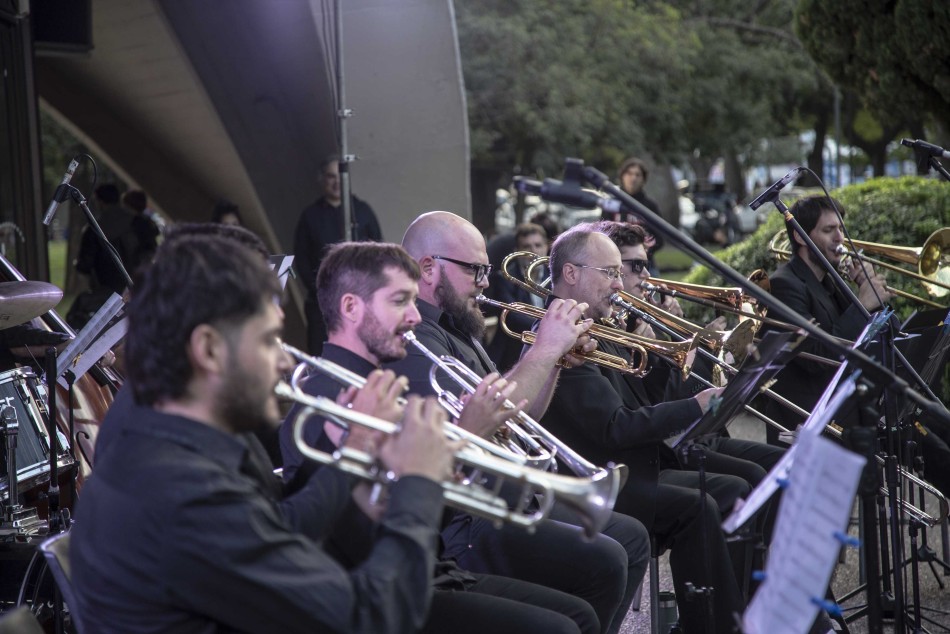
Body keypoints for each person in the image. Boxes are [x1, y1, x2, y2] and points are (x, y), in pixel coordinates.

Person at [71, 234, 455, 633]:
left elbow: (276, 528)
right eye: (270, 340)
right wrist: (419, 482)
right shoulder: (186, 492)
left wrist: (354, 453)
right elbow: (372, 618)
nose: (286, 361)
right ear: (209, 349)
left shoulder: (165, 442)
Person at [281, 240, 601, 634]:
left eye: (415, 301)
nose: (416, 317)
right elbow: (364, 533)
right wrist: (466, 436)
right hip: (387, 593)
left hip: (431, 568)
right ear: (351, 308)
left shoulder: (384, 385)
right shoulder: (330, 398)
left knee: (578, 616)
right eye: (400, 301)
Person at [385, 211, 651, 634]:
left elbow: (519, 417)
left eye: (487, 270)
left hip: (506, 492)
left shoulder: (462, 325)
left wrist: (557, 359)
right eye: (475, 270)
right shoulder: (417, 340)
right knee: (607, 562)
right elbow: (484, 417)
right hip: (470, 521)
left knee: (629, 540)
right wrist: (545, 350)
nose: (486, 282)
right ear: (427, 268)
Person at [540, 222, 752, 634]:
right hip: (603, 480)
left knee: (737, 488)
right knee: (700, 507)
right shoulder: (555, 333)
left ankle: (739, 614)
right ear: (571, 274)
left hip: (635, 465)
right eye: (611, 272)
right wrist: (692, 406)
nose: (620, 284)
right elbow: (615, 428)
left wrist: (666, 359)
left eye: (621, 272)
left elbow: (639, 401)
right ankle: (711, 625)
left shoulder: (601, 324)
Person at [762, 195, 891, 443]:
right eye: (829, 230)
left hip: (842, 411)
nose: (840, 238)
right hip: (805, 422)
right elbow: (817, 355)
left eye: (840, 229)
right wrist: (862, 304)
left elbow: (878, 333)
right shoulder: (783, 285)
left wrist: (867, 286)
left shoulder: (830, 279)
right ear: (800, 236)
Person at [295, 156, 382, 356]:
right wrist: (321, 289)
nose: (336, 182)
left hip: (361, 302)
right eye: (330, 177)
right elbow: (302, 259)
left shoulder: (362, 211)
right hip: (321, 304)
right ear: (322, 180)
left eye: (339, 177)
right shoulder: (310, 216)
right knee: (322, 355)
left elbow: (378, 255)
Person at [70, 183, 159, 328]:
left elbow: (84, 265)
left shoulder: (93, 230)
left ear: (99, 201)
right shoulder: (141, 223)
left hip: (106, 296)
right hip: (141, 291)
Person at [485, 222, 549, 372]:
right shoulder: (504, 278)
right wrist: (549, 329)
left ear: (546, 248)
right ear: (517, 251)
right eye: (526, 247)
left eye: (538, 245)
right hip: (516, 350)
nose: (533, 251)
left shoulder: (556, 277)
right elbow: (513, 315)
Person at [603, 157, 664, 275]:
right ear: (622, 176)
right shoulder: (612, 204)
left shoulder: (650, 206)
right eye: (629, 173)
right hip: (614, 265)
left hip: (644, 266)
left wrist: (644, 251)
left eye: (638, 175)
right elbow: (602, 234)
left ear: (643, 179)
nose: (633, 178)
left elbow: (660, 238)